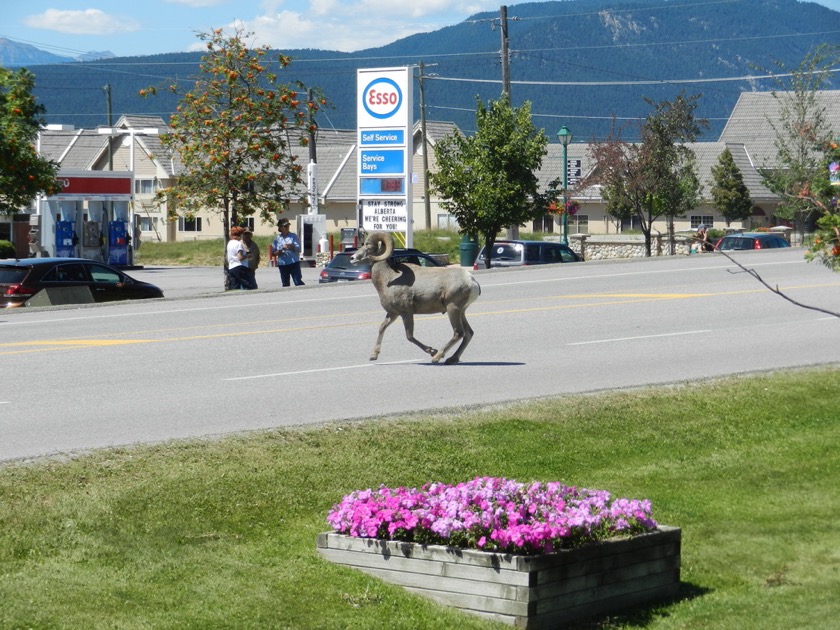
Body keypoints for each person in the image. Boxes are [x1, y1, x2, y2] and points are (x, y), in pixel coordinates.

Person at [272, 218, 305, 287]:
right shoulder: (277, 239)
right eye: (285, 226)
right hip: (282, 263)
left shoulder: (293, 236)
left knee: (297, 281)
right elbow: (273, 253)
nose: (287, 228)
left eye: (287, 226)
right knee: (285, 283)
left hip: (293, 262)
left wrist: (291, 246)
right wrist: (279, 251)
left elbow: (298, 248)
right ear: (280, 228)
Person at [226, 226, 254, 290]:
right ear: (240, 234)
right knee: (248, 285)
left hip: (231, 267)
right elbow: (240, 257)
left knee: (235, 287)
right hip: (240, 267)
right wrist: (248, 256)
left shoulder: (229, 243)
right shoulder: (238, 244)